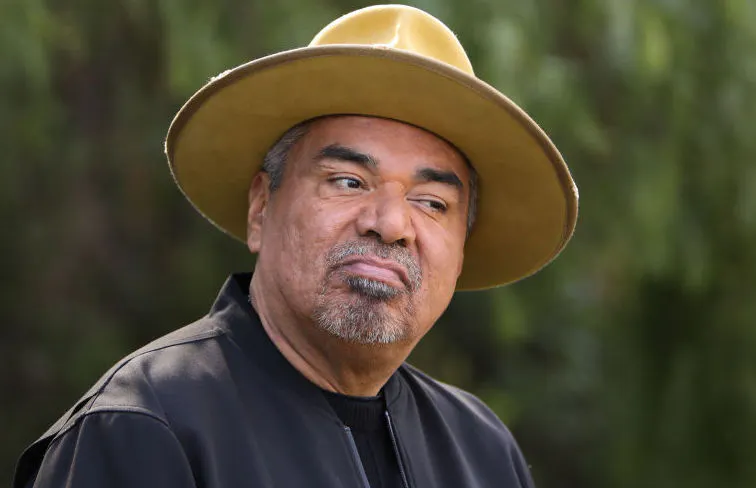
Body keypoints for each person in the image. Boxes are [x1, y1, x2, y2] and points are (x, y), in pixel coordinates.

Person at [14, 4, 578, 488]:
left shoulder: (480, 452)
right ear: (262, 206)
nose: (390, 224)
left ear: (460, 252)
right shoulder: (145, 428)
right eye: (348, 181)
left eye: (431, 202)